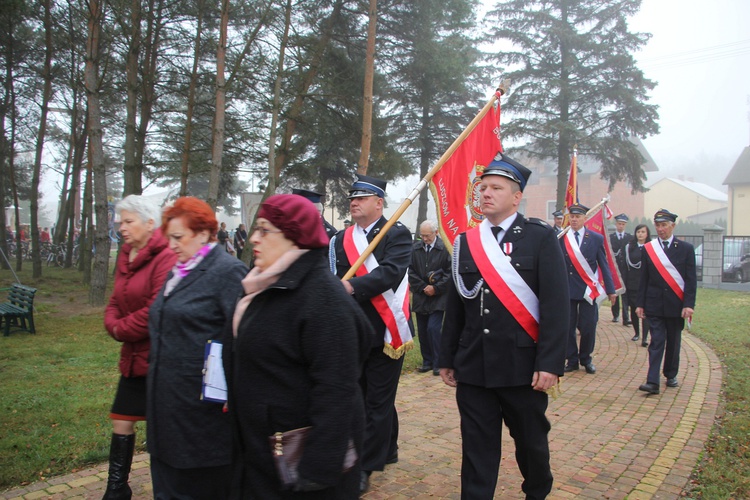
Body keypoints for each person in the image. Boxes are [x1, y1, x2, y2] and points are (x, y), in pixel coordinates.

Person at [225, 194, 374, 498]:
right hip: (260, 453)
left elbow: (337, 389)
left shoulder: (323, 299)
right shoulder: (263, 286)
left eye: (264, 230)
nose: (254, 238)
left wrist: (318, 469)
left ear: (294, 236)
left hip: (300, 464)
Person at [439, 152, 569, 499]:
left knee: (531, 445)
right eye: (482, 187)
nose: (485, 194)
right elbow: (456, 306)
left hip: (522, 368)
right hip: (475, 366)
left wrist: (550, 363)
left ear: (516, 196)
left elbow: (556, 306)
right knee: (477, 450)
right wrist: (446, 357)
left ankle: (538, 490)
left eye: (496, 188)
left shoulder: (540, 238)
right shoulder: (466, 242)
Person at [147, 197, 247, 499]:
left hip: (203, 418)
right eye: (170, 238)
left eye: (179, 237)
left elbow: (243, 340)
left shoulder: (227, 272)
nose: (172, 245)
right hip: (166, 410)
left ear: (203, 234)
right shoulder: (179, 271)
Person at [328, 173, 413, 494]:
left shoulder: (397, 234)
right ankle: (387, 448)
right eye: (352, 197)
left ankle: (366, 465)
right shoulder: (340, 238)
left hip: (387, 328)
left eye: (361, 198)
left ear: (379, 203)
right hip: (352, 330)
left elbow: (391, 273)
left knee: (377, 401)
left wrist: (351, 285)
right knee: (364, 397)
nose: (354, 202)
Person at [103, 195, 176, 500]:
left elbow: (154, 309)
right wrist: (115, 326)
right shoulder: (126, 254)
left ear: (150, 223)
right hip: (132, 357)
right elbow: (115, 301)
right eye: (121, 221)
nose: (122, 227)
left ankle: (172, 484)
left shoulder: (165, 256)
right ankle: (117, 488)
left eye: (129, 221)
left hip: (160, 357)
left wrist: (121, 328)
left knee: (163, 427)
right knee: (121, 420)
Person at [637, 209, 697, 395]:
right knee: (656, 341)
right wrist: (640, 304)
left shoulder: (686, 249)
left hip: (675, 304)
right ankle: (652, 380)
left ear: (673, 226)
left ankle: (670, 374)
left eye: (664, 225)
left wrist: (689, 305)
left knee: (673, 341)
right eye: (658, 225)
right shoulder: (650, 249)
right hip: (654, 304)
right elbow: (644, 278)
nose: (661, 229)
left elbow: (690, 279)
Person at [560, 203, 617, 375]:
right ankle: (572, 359)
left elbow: (604, 265)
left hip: (588, 290)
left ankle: (586, 358)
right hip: (568, 288)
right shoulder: (562, 237)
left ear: (585, 219)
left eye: (578, 217)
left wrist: (611, 289)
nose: (574, 220)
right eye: (572, 216)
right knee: (568, 327)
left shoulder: (595, 238)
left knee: (588, 326)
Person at [409, 219, 451, 376]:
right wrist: (422, 287)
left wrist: (436, 288)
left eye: (427, 235)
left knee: (433, 329)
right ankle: (426, 361)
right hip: (421, 296)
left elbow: (449, 272)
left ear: (436, 233)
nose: (424, 239)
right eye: (422, 235)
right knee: (423, 331)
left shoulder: (445, 248)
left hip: (438, 297)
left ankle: (438, 362)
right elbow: (410, 270)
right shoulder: (416, 249)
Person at [624, 224, 651, 346]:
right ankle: (636, 333)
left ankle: (645, 337)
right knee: (634, 309)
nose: (640, 234)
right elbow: (626, 266)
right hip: (633, 283)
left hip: (646, 283)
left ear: (647, 234)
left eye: (643, 232)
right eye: (638, 231)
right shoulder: (630, 247)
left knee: (645, 311)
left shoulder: (651, 247)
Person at [609, 213, 632, 325]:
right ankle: (615, 314)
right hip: (615, 268)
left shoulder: (629, 238)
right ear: (616, 224)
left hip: (625, 269)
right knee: (615, 292)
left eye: (623, 224)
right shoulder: (611, 237)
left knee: (625, 293)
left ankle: (626, 317)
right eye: (619, 224)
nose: (621, 226)